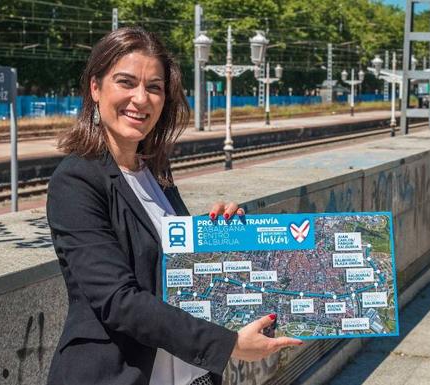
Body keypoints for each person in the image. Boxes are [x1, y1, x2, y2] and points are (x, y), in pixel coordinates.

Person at [46, 27, 302, 385]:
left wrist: (216, 234)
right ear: (95, 87)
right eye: (126, 82)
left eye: (154, 87)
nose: (141, 98)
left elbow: (172, 264)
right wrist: (228, 345)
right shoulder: (76, 181)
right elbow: (118, 300)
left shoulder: (154, 172)